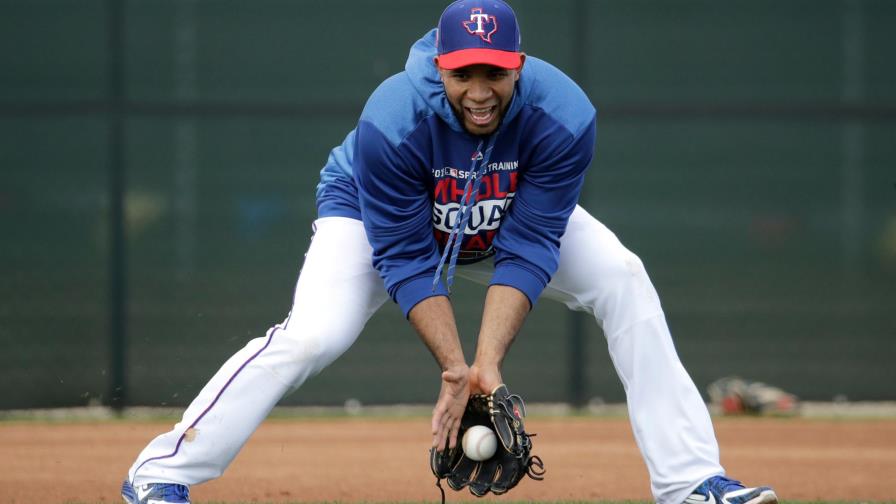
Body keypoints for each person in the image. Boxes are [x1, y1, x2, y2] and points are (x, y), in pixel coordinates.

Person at [122, 2, 778, 504]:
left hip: (504, 213)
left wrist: (488, 364)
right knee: (313, 336)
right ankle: (162, 472)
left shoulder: (565, 116)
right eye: (465, 72)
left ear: (519, 66)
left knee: (623, 279)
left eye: (496, 71)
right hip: (373, 214)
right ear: (441, 65)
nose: (481, 88)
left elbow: (529, 245)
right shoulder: (393, 118)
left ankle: (692, 482)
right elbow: (407, 259)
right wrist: (455, 369)